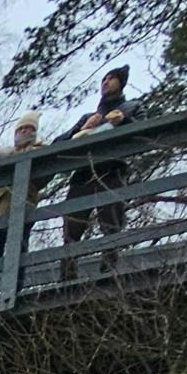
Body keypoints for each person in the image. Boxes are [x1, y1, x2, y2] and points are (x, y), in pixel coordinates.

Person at [60, 66, 132, 281]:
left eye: (111, 79)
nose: (106, 82)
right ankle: (67, 277)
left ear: (121, 83)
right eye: (104, 79)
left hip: (111, 170)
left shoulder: (131, 107)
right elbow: (60, 143)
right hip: (83, 174)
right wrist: (80, 130)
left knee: (111, 224)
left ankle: (109, 273)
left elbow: (146, 129)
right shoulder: (88, 116)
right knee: (71, 229)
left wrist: (123, 122)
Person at [0, 114, 42, 301]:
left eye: (29, 128)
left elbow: (42, 175)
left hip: (23, 209)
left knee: (19, 251)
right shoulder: (5, 153)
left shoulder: (39, 149)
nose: (25, 132)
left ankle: (15, 292)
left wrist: (13, 155)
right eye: (21, 129)